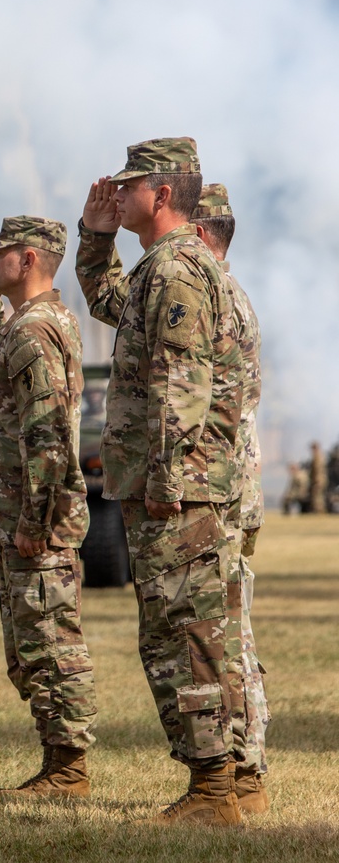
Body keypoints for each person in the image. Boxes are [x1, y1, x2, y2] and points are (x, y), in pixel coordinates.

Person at [77, 137, 244, 826]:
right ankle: (233, 779)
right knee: (194, 629)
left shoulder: (176, 271)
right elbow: (107, 301)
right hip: (174, 481)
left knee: (186, 634)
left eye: (129, 186)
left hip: (179, 486)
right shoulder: (161, 267)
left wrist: (167, 480)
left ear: (163, 195)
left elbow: (184, 384)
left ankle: (214, 791)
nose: (119, 194)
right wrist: (95, 236)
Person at [0, 215, 97, 798]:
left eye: (0, 255)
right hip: (25, 513)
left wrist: (34, 520)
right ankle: (59, 763)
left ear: (27, 259)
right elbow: (0, 356)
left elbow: (46, 434)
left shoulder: (35, 329)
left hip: (35, 518)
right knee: (33, 639)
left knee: (49, 639)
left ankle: (68, 769)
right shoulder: (35, 322)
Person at [191, 183, 270, 813]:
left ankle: (244, 771)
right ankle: (248, 770)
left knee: (227, 633)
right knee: (232, 629)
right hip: (235, 485)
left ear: (199, 234)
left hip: (222, 489)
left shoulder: (217, 299)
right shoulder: (228, 296)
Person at [309, 441, 327, 514]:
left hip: (319, 479)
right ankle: (318, 510)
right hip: (320, 479)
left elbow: (318, 470)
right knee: (317, 494)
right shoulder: (320, 456)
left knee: (317, 495)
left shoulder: (318, 457)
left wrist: (317, 480)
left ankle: (319, 510)